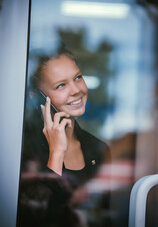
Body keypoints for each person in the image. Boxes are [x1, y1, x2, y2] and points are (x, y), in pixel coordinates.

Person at [17, 50, 111, 227]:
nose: (76, 90)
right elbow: (38, 219)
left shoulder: (97, 148)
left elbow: (103, 216)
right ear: (37, 97)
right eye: (61, 85)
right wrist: (57, 152)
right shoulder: (23, 147)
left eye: (77, 78)